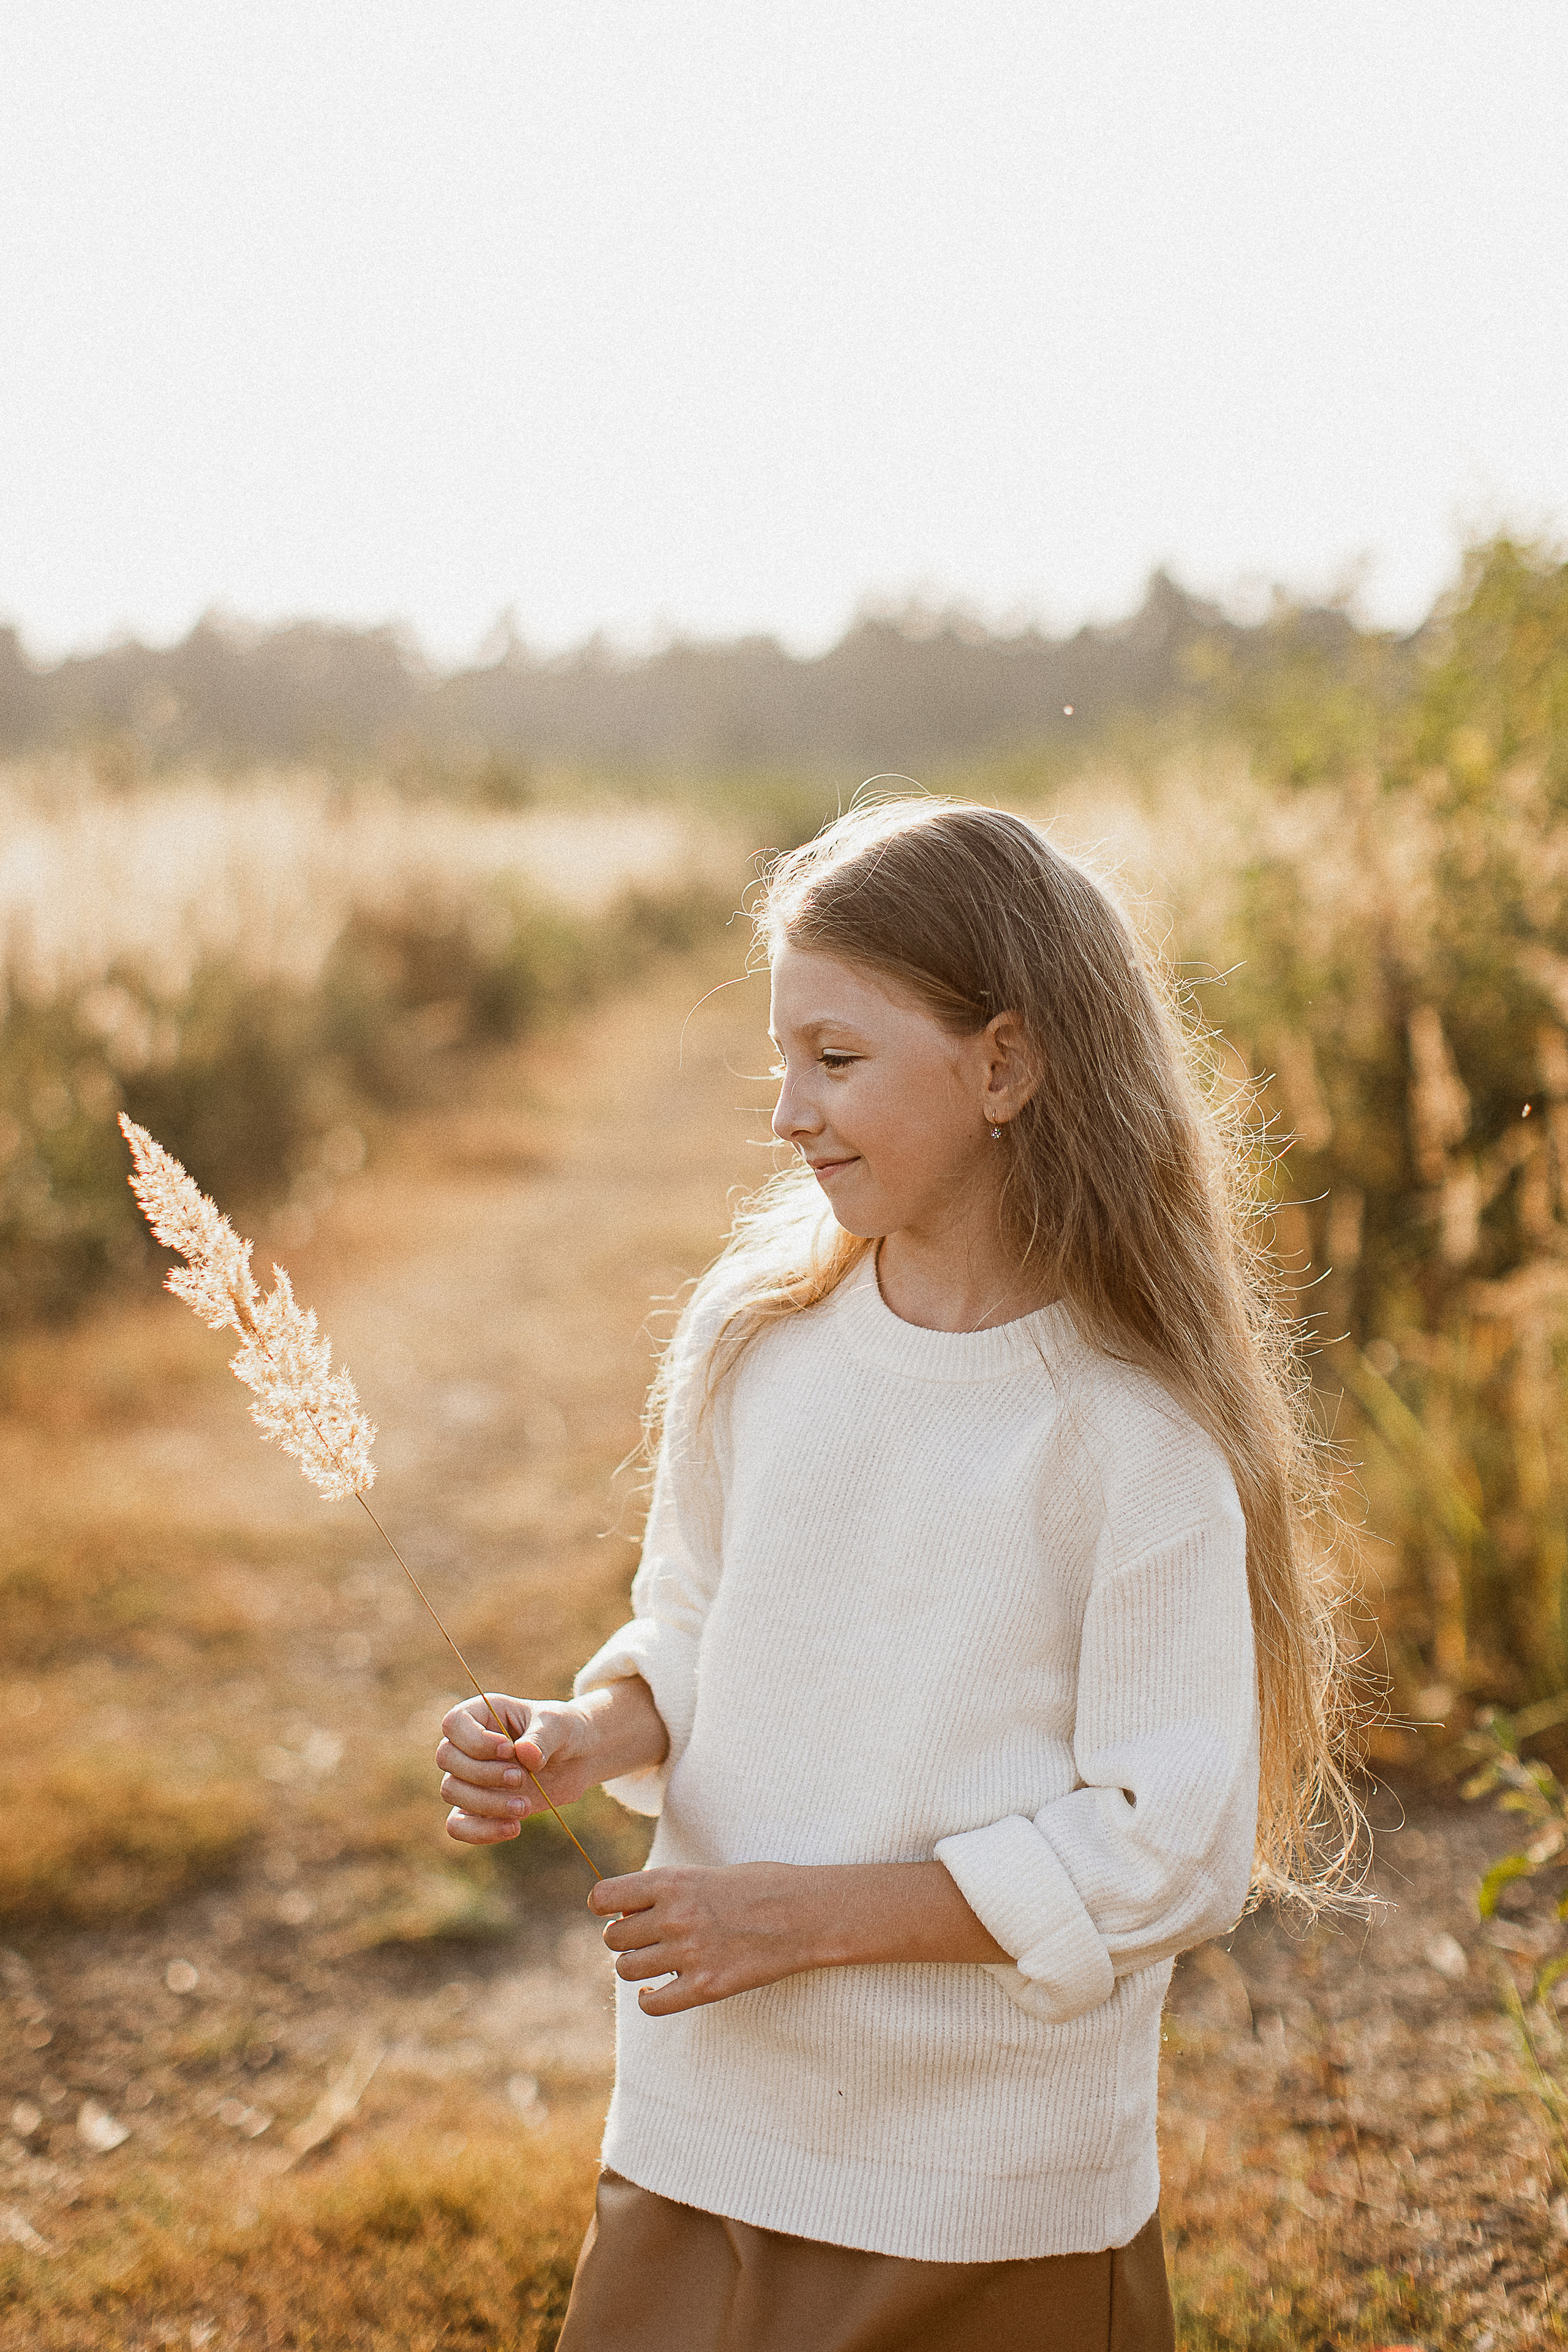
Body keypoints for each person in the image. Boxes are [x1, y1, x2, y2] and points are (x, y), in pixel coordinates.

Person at [437, 799, 1360, 2352]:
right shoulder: (753, 1341)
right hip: (706, 2125)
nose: (788, 1109)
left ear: (1003, 1064)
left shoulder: (1128, 1440)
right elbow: (692, 1627)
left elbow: (1170, 1849)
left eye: (839, 1059)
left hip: (976, 2185)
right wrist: (588, 1730)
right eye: (779, 1059)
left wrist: (805, 1920)